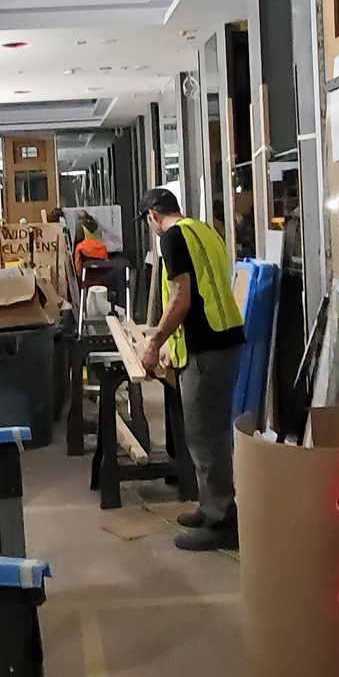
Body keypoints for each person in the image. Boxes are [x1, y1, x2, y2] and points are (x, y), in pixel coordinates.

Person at [139, 187, 244, 552]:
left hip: (207, 347)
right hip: (224, 339)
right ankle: (210, 505)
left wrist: (154, 342)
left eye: (148, 221)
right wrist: (172, 344)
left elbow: (182, 297)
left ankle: (221, 521)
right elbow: (205, 290)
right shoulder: (205, 231)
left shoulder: (171, 238)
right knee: (209, 433)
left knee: (204, 436)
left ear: (153, 214)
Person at [74, 213, 109, 280]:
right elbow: (100, 236)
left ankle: (79, 274)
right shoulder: (96, 225)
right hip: (99, 250)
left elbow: (79, 239)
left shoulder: (81, 226)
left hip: (87, 251)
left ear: (81, 218)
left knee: (77, 250)